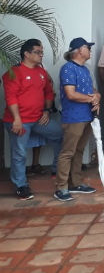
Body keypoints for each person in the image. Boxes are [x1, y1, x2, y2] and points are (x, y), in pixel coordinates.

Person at [3, 39, 63, 200]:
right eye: (38, 52)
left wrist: (47, 111)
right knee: (19, 153)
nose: (41, 55)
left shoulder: (41, 72)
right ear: (26, 54)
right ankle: (21, 186)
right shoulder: (13, 72)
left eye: (42, 52)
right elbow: (11, 98)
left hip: (38, 118)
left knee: (59, 134)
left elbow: (49, 93)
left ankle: (57, 170)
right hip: (18, 121)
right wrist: (16, 119)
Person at [55, 37, 101, 201]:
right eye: (87, 47)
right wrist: (91, 99)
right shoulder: (68, 68)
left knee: (79, 150)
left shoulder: (85, 69)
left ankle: (76, 183)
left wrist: (97, 97)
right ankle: (61, 187)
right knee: (67, 152)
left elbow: (93, 90)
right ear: (79, 50)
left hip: (86, 115)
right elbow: (71, 94)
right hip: (73, 117)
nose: (90, 50)